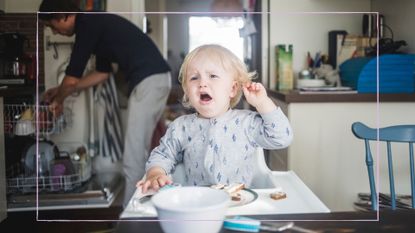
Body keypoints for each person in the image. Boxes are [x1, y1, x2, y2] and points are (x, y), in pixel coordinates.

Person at [38, 0, 172, 206]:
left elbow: (72, 78)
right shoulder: (94, 25)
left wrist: (59, 100)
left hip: (150, 81)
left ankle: (131, 219)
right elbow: (102, 74)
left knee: (133, 157)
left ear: (64, 16)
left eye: (51, 25)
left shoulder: (86, 25)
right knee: (142, 152)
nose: (53, 32)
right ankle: (145, 211)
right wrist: (60, 91)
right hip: (155, 80)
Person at [138, 44, 293, 193]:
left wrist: (263, 103)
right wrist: (155, 173)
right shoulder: (181, 127)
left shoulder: (247, 123)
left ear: (232, 89)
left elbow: (282, 138)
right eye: (194, 78)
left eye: (212, 76)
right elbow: (163, 155)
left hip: (240, 202)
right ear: (186, 91)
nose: (202, 83)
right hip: (198, 204)